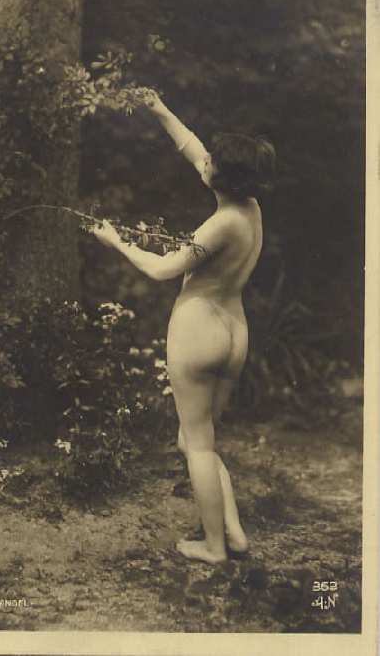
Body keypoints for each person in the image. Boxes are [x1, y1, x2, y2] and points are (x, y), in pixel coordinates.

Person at [92, 93, 275, 564]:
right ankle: (234, 533)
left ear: (221, 177)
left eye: (211, 161)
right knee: (198, 438)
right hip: (233, 332)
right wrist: (159, 109)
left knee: (196, 445)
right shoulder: (249, 208)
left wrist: (116, 242)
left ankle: (213, 547)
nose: (204, 160)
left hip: (199, 330)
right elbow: (195, 151)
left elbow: (161, 269)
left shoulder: (220, 223)